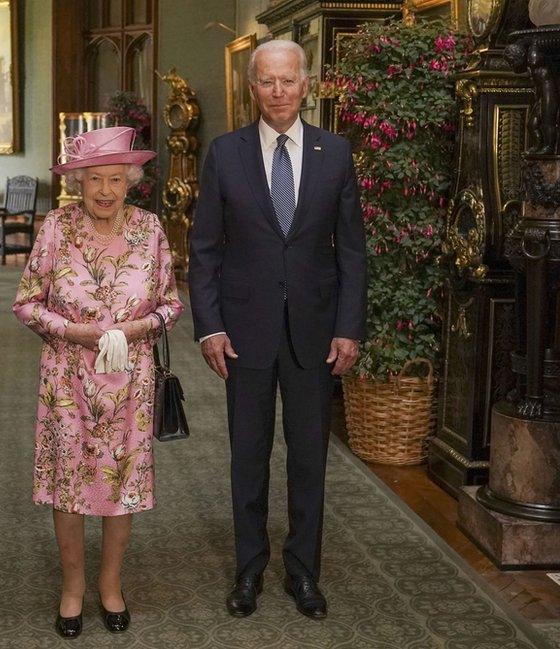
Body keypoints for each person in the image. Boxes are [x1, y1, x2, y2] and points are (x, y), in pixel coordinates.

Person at [188, 40, 366, 620]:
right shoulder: (224, 152)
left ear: (306, 84)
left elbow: (353, 254)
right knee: (249, 458)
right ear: (252, 86)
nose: (280, 92)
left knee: (310, 460)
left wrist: (349, 327)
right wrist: (209, 327)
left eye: (289, 81)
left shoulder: (335, 153)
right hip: (245, 332)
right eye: (268, 82)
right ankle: (248, 573)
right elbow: (205, 248)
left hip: (316, 334)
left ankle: (303, 574)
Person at [13, 126, 184, 638]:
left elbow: (171, 305)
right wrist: (76, 331)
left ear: (131, 180)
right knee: (70, 485)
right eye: (94, 180)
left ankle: (110, 584)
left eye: (115, 178)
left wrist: (133, 329)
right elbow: (26, 302)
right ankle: (72, 588)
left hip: (130, 380)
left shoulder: (150, 229)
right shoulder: (55, 228)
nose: (105, 190)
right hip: (67, 378)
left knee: (121, 483)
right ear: (79, 183)